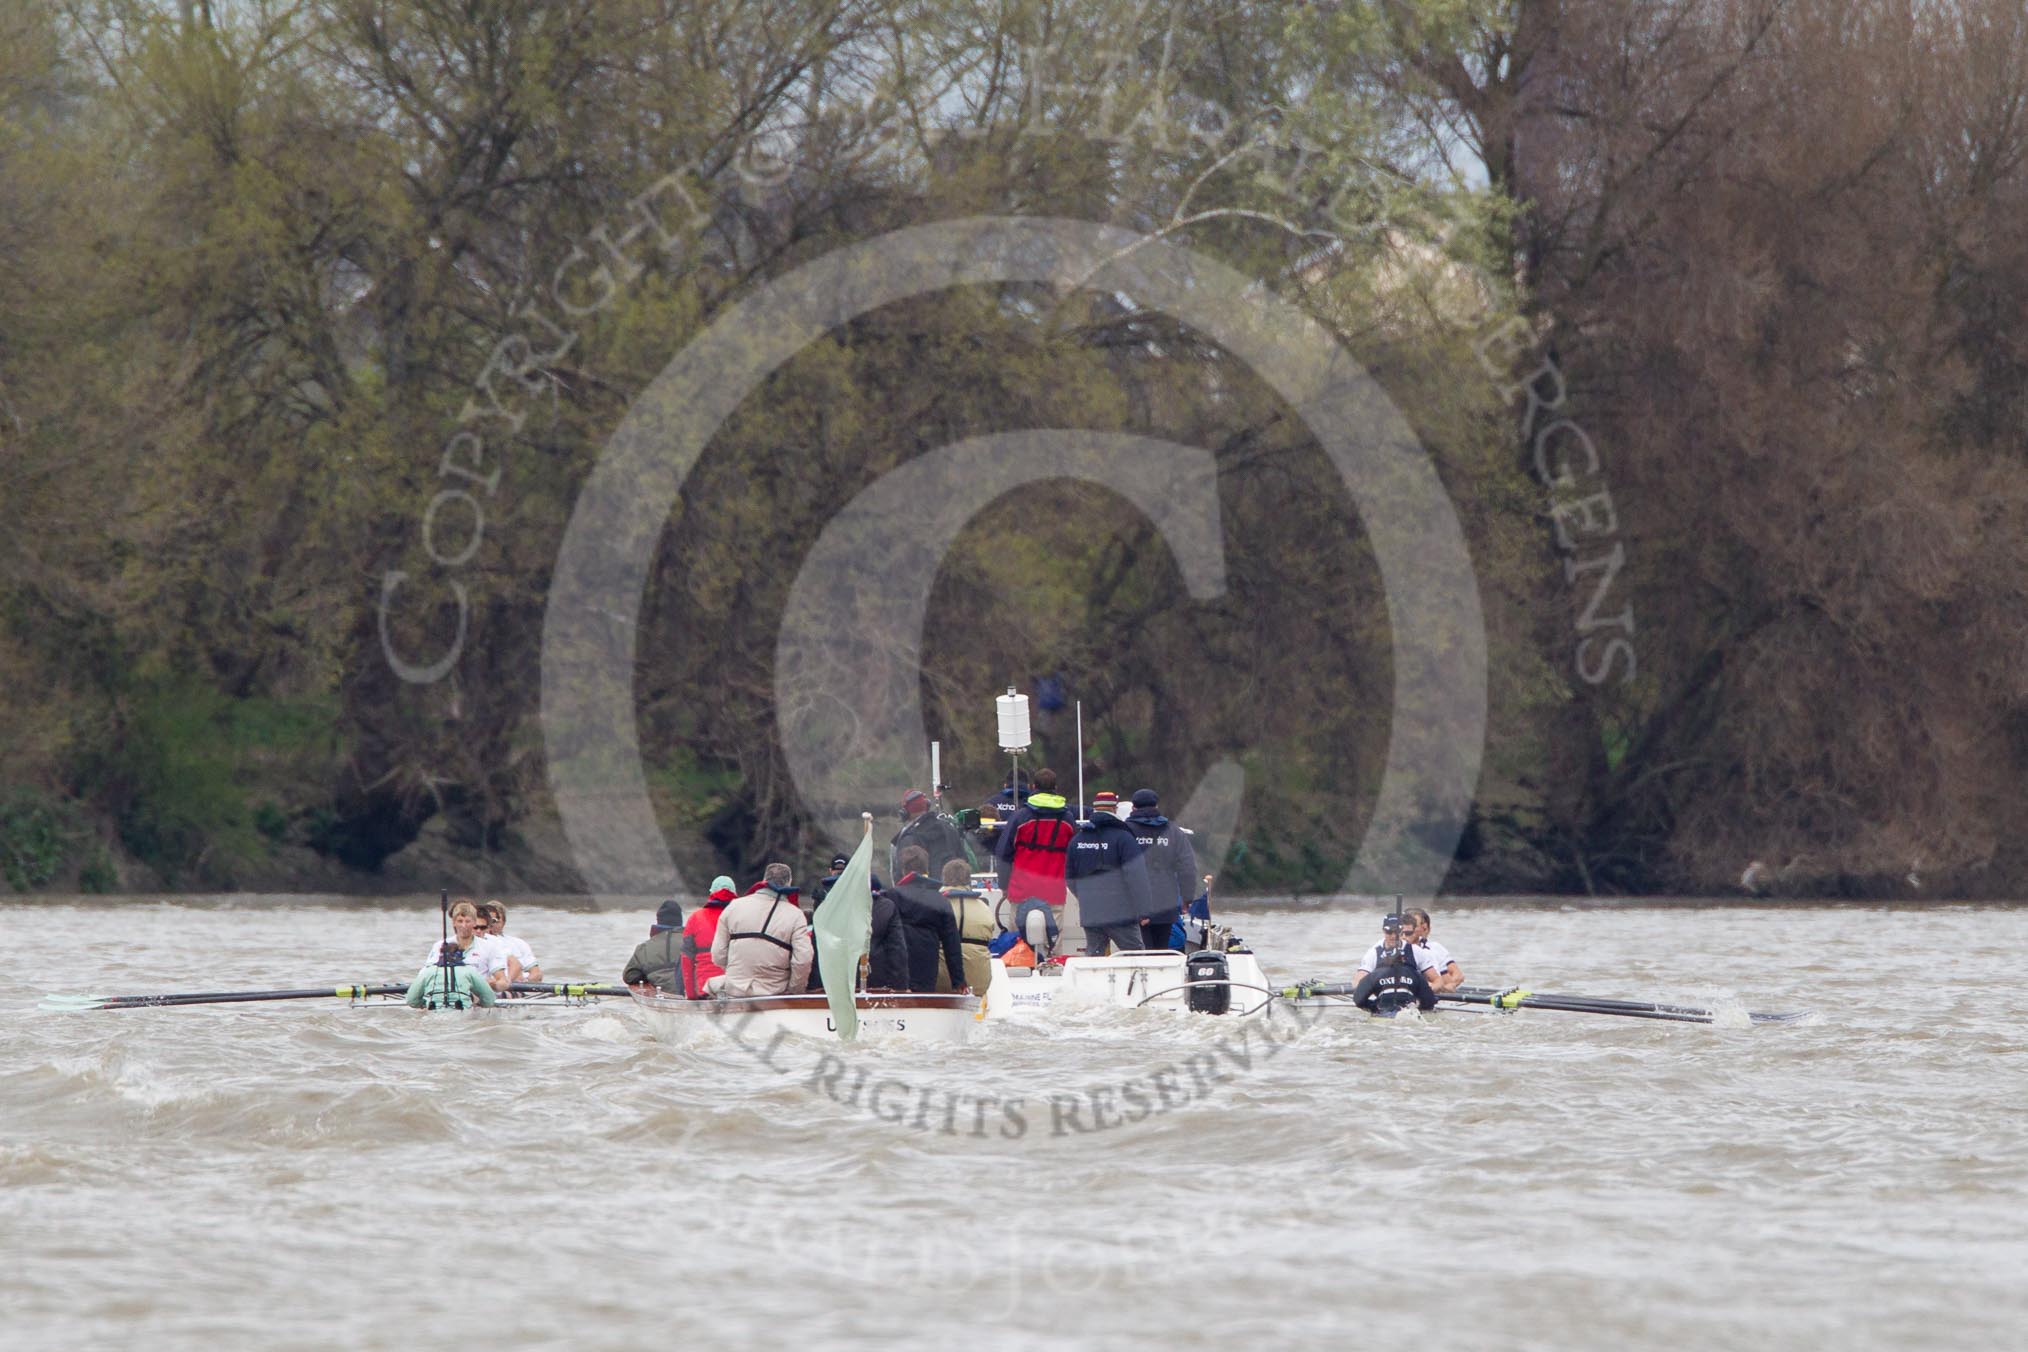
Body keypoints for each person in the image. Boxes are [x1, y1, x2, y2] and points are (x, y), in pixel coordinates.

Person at [709, 863, 813, 996]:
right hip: (775, 993)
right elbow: (803, 960)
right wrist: (794, 990)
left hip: (735, 990)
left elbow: (718, 955)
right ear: (789, 883)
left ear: (764, 881)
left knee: (713, 985)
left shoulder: (734, 907)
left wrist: (738, 971)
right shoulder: (796, 915)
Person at [1066, 804, 1157, 955]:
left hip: (1091, 912)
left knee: (1094, 962)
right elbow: (1137, 876)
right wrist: (1144, 910)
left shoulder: (1077, 840)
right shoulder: (1124, 839)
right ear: (1114, 811)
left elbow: (1070, 877)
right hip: (1121, 913)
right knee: (1135, 958)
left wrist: (1084, 896)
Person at [1121, 788, 1199, 951]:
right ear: (1156, 806)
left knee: (1140, 951)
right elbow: (1188, 866)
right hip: (1166, 902)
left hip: (1132, 903)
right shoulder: (1173, 831)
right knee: (1161, 950)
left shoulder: (1124, 831)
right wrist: (1187, 898)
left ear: (1133, 808)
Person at [885, 845, 967, 993]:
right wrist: (958, 981)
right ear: (926, 869)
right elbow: (952, 945)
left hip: (895, 967)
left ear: (902, 869)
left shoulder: (891, 896)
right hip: (927, 968)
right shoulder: (940, 900)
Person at [993, 767, 1076, 912]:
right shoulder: (1068, 819)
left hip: (1021, 893)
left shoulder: (1020, 817)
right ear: (1056, 788)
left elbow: (1003, 853)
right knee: (1053, 935)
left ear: (1033, 787)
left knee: (1019, 935)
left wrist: (1004, 886)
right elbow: (1075, 855)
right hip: (1054, 894)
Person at [1352, 913, 1436, 1014]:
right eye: (1389, 932)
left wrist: (1424, 989)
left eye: (1396, 932)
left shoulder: (1415, 951)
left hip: (1408, 1003)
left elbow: (1437, 980)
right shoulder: (1373, 953)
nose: (1393, 936)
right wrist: (1374, 1005)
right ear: (1383, 930)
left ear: (1402, 931)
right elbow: (1357, 983)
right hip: (1398, 1009)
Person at [939, 858, 995, 996]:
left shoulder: (936, 904)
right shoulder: (984, 907)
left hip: (943, 979)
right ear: (968, 880)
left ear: (944, 878)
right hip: (979, 981)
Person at [890, 790, 970, 881]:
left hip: (921, 892)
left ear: (904, 812)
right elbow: (964, 862)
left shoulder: (908, 838)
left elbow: (901, 875)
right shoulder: (949, 829)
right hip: (951, 890)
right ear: (927, 806)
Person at [680, 876, 737, 998]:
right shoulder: (742, 916)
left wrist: (691, 995)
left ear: (711, 894)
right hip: (739, 988)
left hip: (705, 988)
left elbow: (686, 960)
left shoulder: (695, 918)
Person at [425, 900, 506, 985]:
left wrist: (494, 984)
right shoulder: (440, 946)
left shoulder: (489, 947)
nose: (464, 926)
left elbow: (503, 981)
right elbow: (425, 975)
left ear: (474, 922)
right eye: (460, 921)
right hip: (447, 993)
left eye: (467, 921)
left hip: (478, 992)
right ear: (453, 922)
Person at [405, 943, 497, 1009]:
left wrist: (424, 1004)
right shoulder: (469, 971)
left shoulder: (427, 971)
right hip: (463, 1013)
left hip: (434, 1014)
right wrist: (478, 1005)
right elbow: (489, 998)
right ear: (461, 955)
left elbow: (411, 1000)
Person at [623, 899, 687, 993]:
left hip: (660, 991)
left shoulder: (644, 947)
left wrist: (646, 976)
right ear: (680, 921)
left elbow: (629, 976)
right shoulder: (693, 942)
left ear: (659, 921)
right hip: (690, 992)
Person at [476, 900, 540, 990]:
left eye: (495, 921)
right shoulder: (471, 942)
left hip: (513, 986)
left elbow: (536, 973)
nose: (491, 925)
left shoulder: (517, 943)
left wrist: (511, 982)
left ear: (504, 922)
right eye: (487, 921)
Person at [1403, 907, 1463, 992]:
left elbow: (1450, 983)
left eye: (1413, 925)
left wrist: (1442, 987)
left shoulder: (1431, 951)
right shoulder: (1389, 949)